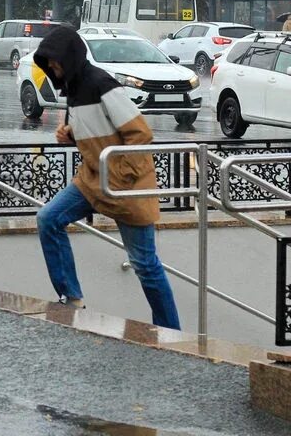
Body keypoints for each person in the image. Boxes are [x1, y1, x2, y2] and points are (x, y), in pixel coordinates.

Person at [32, 27, 181, 330]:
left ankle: (170, 332)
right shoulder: (72, 90)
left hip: (127, 186)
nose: (53, 69)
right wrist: (70, 135)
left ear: (69, 58)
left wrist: (122, 174)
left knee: (145, 265)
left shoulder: (102, 83)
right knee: (49, 218)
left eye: (56, 62)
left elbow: (140, 133)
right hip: (91, 181)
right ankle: (71, 297)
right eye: (49, 64)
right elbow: (96, 132)